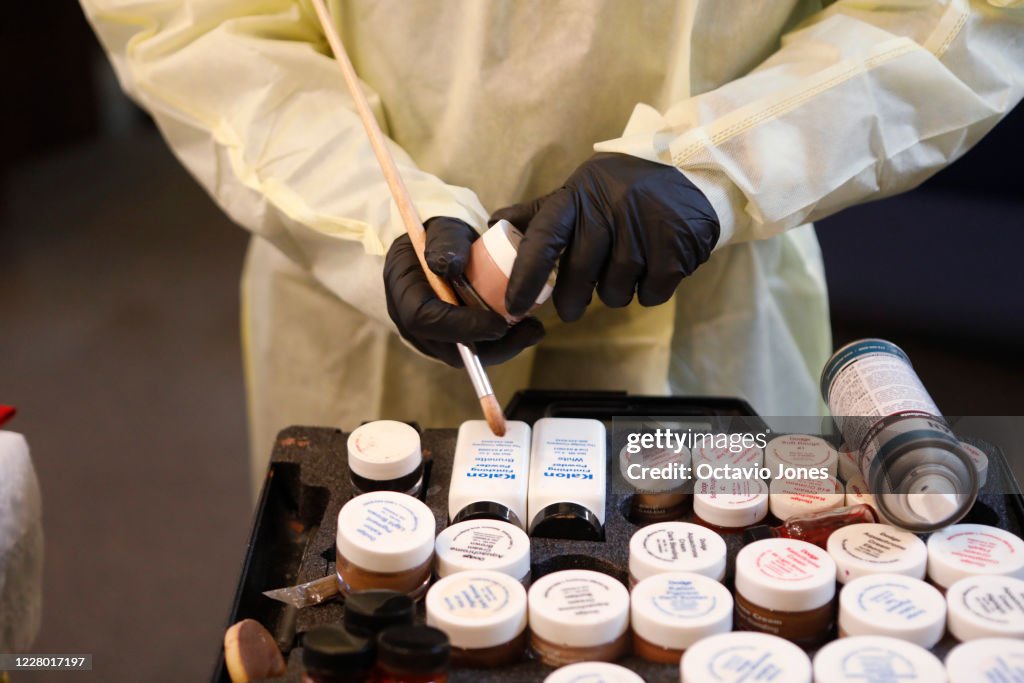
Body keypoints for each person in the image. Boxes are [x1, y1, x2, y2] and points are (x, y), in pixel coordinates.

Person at [82, 0, 1024, 493]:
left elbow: (960, 12)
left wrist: (723, 163)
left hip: (717, 302)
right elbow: (194, 22)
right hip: (365, 330)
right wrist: (374, 208)